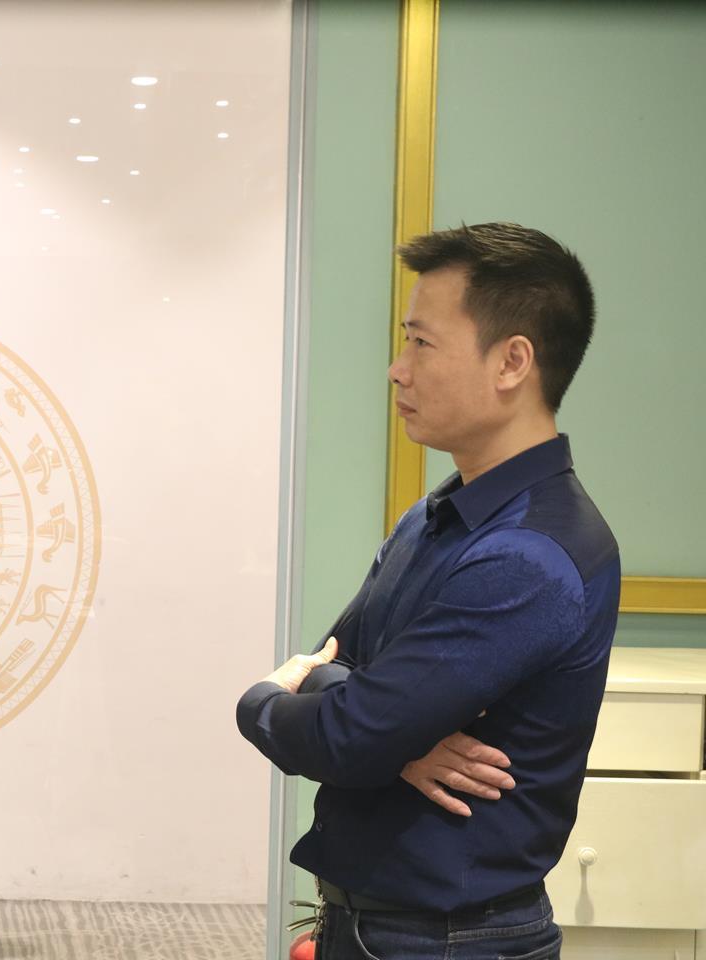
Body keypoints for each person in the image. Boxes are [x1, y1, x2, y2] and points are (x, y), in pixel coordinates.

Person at [237, 223, 619, 959]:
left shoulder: (530, 553)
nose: (398, 369)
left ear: (512, 362)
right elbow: (336, 668)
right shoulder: (437, 515)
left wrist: (260, 701)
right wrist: (395, 734)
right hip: (383, 928)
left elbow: (347, 735)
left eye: (421, 343)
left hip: (447, 941)